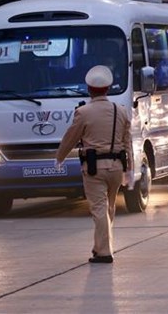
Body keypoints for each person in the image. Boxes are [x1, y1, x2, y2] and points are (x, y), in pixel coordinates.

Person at [55, 65, 134, 264]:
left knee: (99, 208)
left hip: (94, 168)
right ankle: (100, 247)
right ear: (108, 88)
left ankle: (105, 252)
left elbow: (71, 138)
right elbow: (127, 142)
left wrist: (60, 157)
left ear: (89, 89)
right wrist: (130, 168)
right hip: (116, 167)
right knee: (109, 207)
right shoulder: (121, 111)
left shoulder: (83, 112)